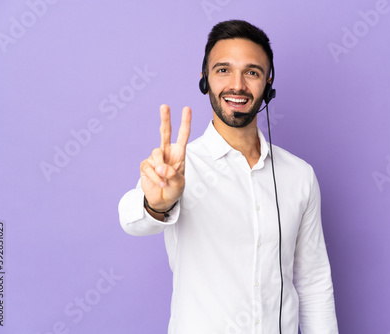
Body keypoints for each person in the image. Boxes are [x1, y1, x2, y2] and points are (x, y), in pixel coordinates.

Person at [118, 20, 338, 334]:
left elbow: (313, 281)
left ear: (268, 84)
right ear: (205, 80)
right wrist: (156, 204)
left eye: (251, 72)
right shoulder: (179, 168)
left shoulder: (299, 175)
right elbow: (131, 220)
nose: (237, 85)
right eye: (223, 70)